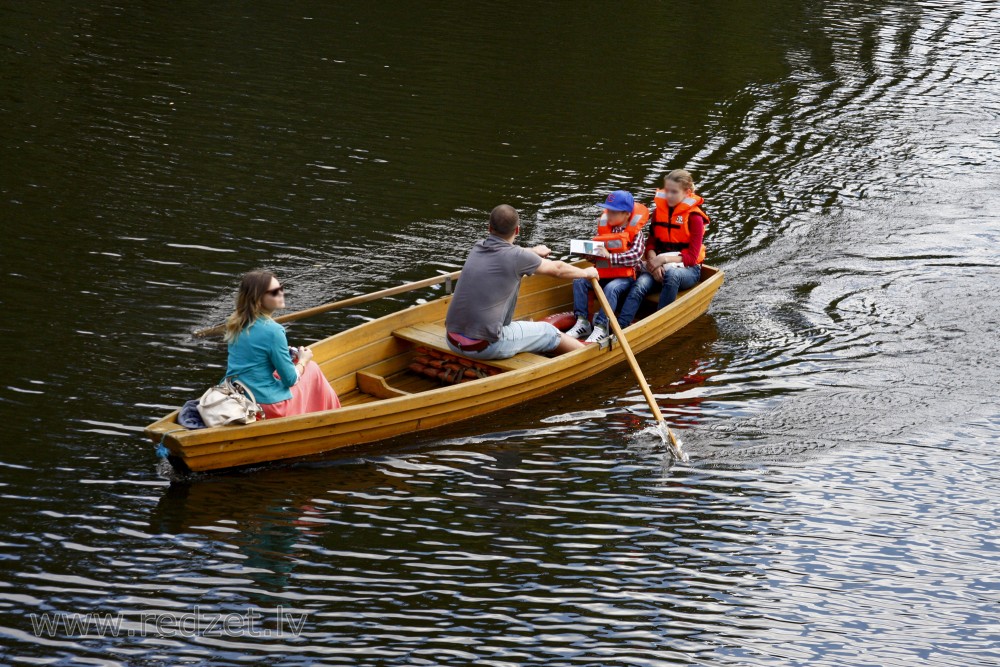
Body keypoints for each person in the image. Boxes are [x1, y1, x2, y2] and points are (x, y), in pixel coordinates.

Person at [445, 204, 599, 360]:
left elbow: (507, 253)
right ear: (517, 230)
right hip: (485, 348)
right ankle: (591, 358)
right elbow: (557, 269)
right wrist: (586, 272)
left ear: (489, 228)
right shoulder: (517, 257)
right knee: (549, 331)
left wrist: (531, 251)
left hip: (451, 340)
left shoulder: (478, 247)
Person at [223, 270, 340, 419]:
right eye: (274, 292)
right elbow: (290, 379)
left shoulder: (235, 323)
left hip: (236, 395)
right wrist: (303, 360)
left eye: (281, 288)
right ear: (258, 300)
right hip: (266, 406)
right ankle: (333, 416)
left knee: (282, 370)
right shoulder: (274, 331)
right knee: (312, 368)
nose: (281, 293)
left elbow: (257, 355)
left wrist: (286, 353)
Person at [616, 170, 709, 326]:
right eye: (666, 191)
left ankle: (659, 324)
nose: (669, 196)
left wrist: (662, 259)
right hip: (658, 266)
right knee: (640, 285)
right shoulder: (659, 212)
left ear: (687, 192)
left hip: (687, 270)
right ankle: (621, 326)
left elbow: (692, 258)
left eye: (674, 192)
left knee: (672, 275)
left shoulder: (695, 218)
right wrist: (653, 262)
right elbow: (651, 244)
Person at [566, 190, 648, 344]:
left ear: (626, 214)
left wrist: (609, 256)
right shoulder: (604, 229)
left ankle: (601, 327)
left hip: (625, 278)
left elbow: (635, 256)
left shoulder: (637, 234)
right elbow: (599, 259)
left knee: (611, 288)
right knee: (580, 281)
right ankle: (582, 322)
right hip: (604, 273)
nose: (608, 214)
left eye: (613, 212)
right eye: (607, 210)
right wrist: (590, 256)